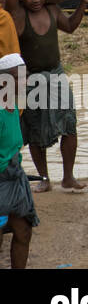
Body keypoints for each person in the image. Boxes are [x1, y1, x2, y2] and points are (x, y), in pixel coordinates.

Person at [4, 0, 88, 193]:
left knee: (69, 126)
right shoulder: (18, 15)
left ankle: (68, 177)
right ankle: (44, 178)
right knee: (35, 132)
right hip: (31, 80)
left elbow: (71, 27)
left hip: (57, 75)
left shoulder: (52, 10)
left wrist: (83, 3)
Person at [0, 52, 37, 269]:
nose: (26, 82)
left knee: (23, 231)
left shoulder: (13, 105)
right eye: (20, 78)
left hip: (14, 176)